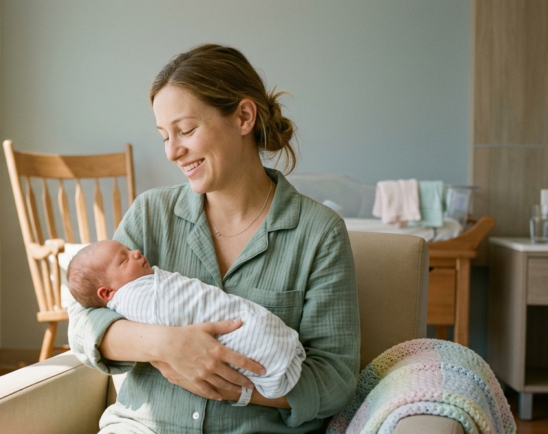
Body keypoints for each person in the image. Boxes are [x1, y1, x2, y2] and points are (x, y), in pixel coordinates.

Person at [67, 43, 360, 433]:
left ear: (243, 117)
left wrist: (229, 384)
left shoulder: (319, 233)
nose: (173, 152)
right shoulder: (151, 213)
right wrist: (167, 346)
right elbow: (84, 320)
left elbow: (335, 380)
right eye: (164, 136)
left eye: (186, 130)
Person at [66, 239, 306, 404]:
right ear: (107, 293)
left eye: (129, 250)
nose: (136, 252)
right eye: (124, 259)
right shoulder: (134, 298)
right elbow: (82, 324)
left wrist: (237, 394)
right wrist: (165, 343)